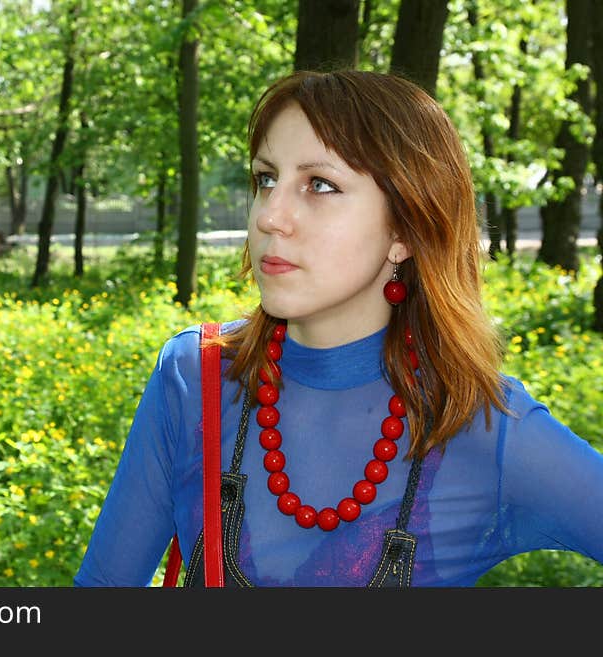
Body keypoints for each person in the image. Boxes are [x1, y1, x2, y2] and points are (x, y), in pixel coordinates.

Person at [73, 69, 603, 587]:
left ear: (405, 231)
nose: (269, 216)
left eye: (319, 184)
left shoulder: (479, 425)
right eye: (265, 179)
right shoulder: (196, 376)